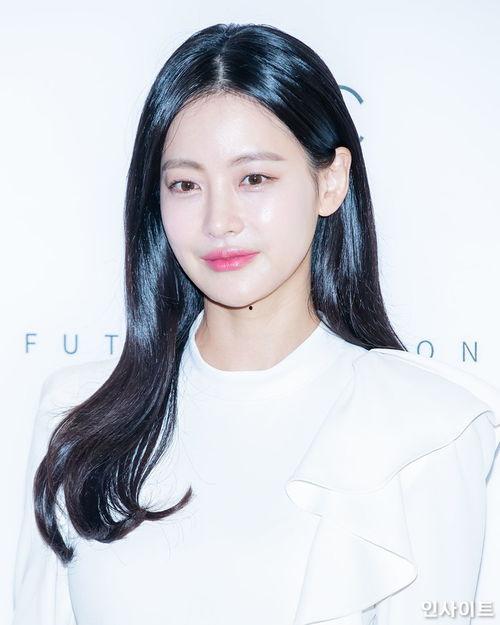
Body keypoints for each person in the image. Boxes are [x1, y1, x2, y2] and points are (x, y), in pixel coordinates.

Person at [12, 22, 500, 625]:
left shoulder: (428, 430)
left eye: (254, 179)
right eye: (185, 184)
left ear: (330, 181)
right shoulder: (76, 416)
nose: (219, 220)